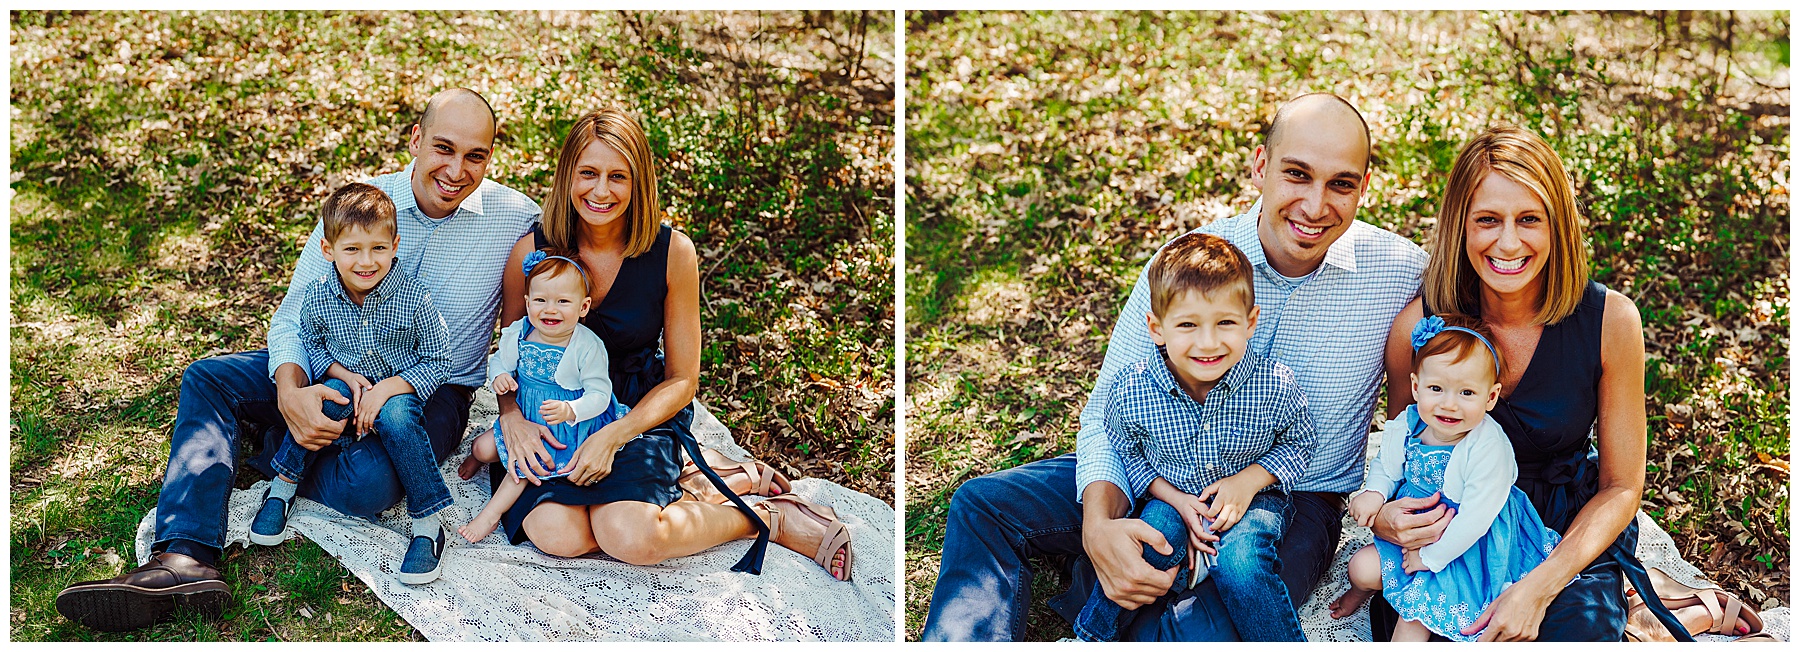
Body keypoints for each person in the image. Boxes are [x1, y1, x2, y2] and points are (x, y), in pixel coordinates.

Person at [921, 92, 1429, 641]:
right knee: (984, 506)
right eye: (1297, 175)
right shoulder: (1188, 262)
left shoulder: (1400, 274)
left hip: (1291, 498)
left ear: (1365, 186)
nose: (1314, 205)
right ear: (1261, 167)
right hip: (1163, 468)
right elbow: (1105, 411)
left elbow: (1472, 339)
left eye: (1341, 184)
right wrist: (1098, 526)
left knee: (1198, 620)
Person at [54, 88, 542, 632]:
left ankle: (272, 452)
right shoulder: (360, 205)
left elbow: (544, 312)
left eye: (475, 156)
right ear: (416, 139)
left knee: (368, 485)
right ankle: (184, 558)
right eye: (444, 148)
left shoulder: (516, 220)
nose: (456, 169)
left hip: (430, 389)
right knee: (209, 379)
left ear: (491, 156)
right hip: (332, 362)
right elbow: (293, 314)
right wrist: (291, 390)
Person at [1367, 124, 1701, 641]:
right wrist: (1386, 517)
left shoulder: (1610, 322)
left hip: (1561, 532)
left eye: (1528, 220)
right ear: (1460, 226)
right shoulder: (1419, 328)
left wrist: (1538, 588)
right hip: (1450, 534)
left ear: (1557, 227)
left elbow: (1621, 487)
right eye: (1487, 220)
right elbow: (1405, 450)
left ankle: (1626, 602)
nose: (1507, 242)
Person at [487, 107, 852, 580]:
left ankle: (767, 518)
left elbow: (683, 379)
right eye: (588, 174)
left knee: (631, 537)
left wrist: (612, 436)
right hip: (552, 415)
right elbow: (511, 354)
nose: (601, 191)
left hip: (636, 412)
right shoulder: (533, 251)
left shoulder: (672, 253)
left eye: (617, 176)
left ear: (639, 182)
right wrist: (511, 418)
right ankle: (698, 473)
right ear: (566, 176)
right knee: (560, 536)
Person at [1071, 233, 1317, 642]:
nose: (1208, 342)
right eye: (1188, 325)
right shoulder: (1132, 390)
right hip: (1173, 493)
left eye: (1225, 323)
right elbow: (1128, 453)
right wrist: (1176, 499)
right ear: (1157, 328)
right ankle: (1092, 636)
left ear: (1250, 322)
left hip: (1252, 496)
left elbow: (1299, 442)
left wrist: (1249, 481)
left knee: (1240, 562)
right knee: (1153, 541)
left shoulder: (1273, 385)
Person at [246, 182, 459, 586]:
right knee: (330, 397)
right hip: (347, 383)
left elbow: (439, 360)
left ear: (395, 245)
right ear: (329, 251)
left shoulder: (414, 299)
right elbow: (311, 342)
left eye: (378, 248)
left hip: (398, 388)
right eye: (352, 250)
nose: (366, 261)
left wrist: (385, 389)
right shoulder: (319, 295)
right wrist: (340, 373)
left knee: (397, 417)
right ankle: (282, 486)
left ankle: (429, 525)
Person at [1329, 315, 1561, 641]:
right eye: (1436, 388)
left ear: (1490, 398)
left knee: (1416, 616)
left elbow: (1477, 519)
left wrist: (1429, 558)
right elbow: (1386, 465)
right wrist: (1376, 493)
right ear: (1416, 387)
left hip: (1470, 541)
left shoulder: (1486, 446)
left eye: (1467, 392)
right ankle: (1361, 593)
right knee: (1360, 569)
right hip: (1418, 529)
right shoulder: (1408, 425)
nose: (1449, 404)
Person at [456, 250, 620, 544]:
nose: (550, 309)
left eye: (563, 301)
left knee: (523, 467)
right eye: (541, 300)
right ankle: (478, 460)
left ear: (583, 307)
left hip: (562, 425)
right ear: (528, 302)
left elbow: (600, 394)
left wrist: (571, 409)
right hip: (524, 414)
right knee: (482, 448)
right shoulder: (520, 332)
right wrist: (501, 376)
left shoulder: (586, 345)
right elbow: (499, 361)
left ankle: (489, 517)